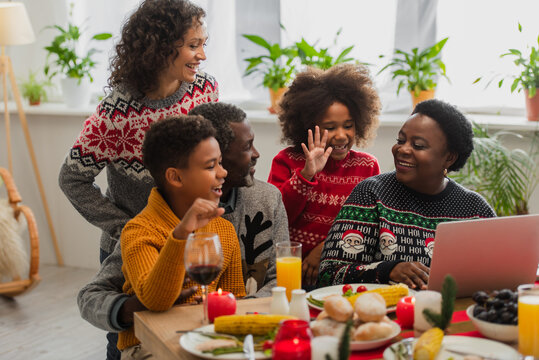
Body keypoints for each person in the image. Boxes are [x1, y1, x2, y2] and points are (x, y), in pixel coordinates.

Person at [59, 3, 216, 356]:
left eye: (204, 44)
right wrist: (125, 228)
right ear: (161, 46)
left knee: (188, 330)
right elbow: (72, 179)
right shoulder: (116, 113)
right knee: (128, 334)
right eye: (193, 45)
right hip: (132, 249)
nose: (202, 55)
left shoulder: (204, 90)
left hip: (189, 239)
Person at [76, 103, 289, 347]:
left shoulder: (263, 201)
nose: (256, 154)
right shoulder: (152, 220)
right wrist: (138, 308)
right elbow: (92, 296)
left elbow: (276, 280)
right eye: (246, 146)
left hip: (221, 336)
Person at [318, 99, 496, 290]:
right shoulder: (371, 194)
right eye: (400, 141)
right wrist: (387, 271)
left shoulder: (475, 209)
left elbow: (500, 271)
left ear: (449, 158)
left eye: (418, 145)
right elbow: (328, 274)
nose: (402, 149)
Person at [118, 115, 246, 357]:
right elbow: (156, 300)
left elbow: (235, 298)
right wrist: (181, 234)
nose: (223, 172)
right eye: (211, 166)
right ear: (175, 177)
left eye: (220, 162)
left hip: (206, 338)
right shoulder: (139, 231)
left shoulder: (223, 230)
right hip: (148, 346)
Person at [267, 64, 381, 286]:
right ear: (307, 127)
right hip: (292, 271)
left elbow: (368, 225)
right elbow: (278, 217)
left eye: (348, 125)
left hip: (344, 271)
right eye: (330, 128)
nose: (341, 135)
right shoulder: (287, 161)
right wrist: (307, 174)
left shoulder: (367, 166)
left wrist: (325, 248)